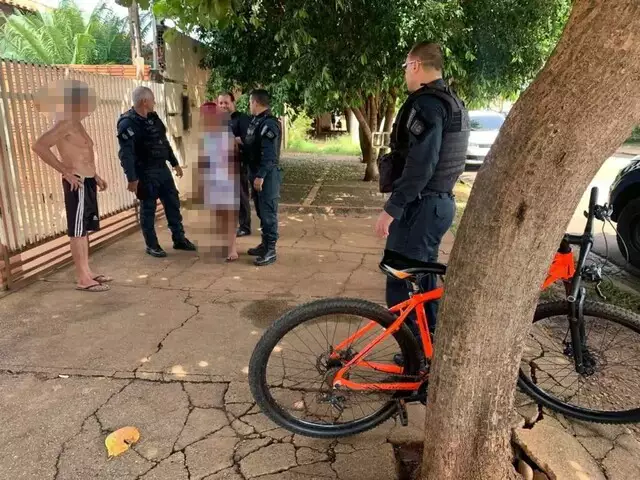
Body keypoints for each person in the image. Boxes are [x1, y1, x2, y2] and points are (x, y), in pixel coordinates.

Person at [374, 42, 470, 341]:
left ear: (415, 65)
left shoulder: (426, 104)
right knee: (423, 283)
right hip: (437, 204)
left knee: (400, 283)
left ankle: (412, 360)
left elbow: (421, 164)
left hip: (421, 206)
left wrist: (393, 208)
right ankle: (427, 352)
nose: (405, 74)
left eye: (406, 67)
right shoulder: (452, 101)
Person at [31, 79, 111, 292]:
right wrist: (65, 171)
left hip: (87, 180)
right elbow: (39, 146)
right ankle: (82, 278)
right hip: (77, 182)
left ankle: (88, 272)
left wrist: (96, 176)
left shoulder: (76, 124)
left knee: (83, 229)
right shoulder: (64, 123)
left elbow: (83, 154)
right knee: (77, 231)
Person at [117, 86, 196, 258]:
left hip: (162, 169)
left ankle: (179, 239)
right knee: (148, 209)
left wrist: (174, 163)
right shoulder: (127, 123)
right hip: (144, 173)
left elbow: (163, 141)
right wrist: (132, 179)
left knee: (173, 204)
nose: (155, 102)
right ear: (144, 101)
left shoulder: (153, 118)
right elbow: (126, 154)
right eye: (152, 100)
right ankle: (152, 245)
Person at [193, 101, 239, 262]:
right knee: (219, 215)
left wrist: (232, 181)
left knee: (229, 216)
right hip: (212, 181)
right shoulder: (204, 136)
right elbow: (203, 161)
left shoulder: (226, 134)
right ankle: (226, 245)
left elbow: (233, 158)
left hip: (226, 180)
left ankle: (232, 249)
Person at [244, 89, 282, 266]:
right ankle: (265, 244)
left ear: (256, 103)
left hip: (266, 175)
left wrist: (260, 176)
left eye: (250, 102)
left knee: (268, 213)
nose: (249, 105)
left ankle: (271, 250)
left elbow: (269, 155)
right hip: (256, 173)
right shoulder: (256, 122)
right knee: (261, 211)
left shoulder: (269, 124)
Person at [217, 92, 252, 237]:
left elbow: (248, 140)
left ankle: (245, 226)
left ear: (233, 103)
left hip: (239, 163)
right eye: (221, 103)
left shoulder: (242, 119)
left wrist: (233, 140)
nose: (224, 105)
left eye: (226, 102)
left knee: (241, 194)